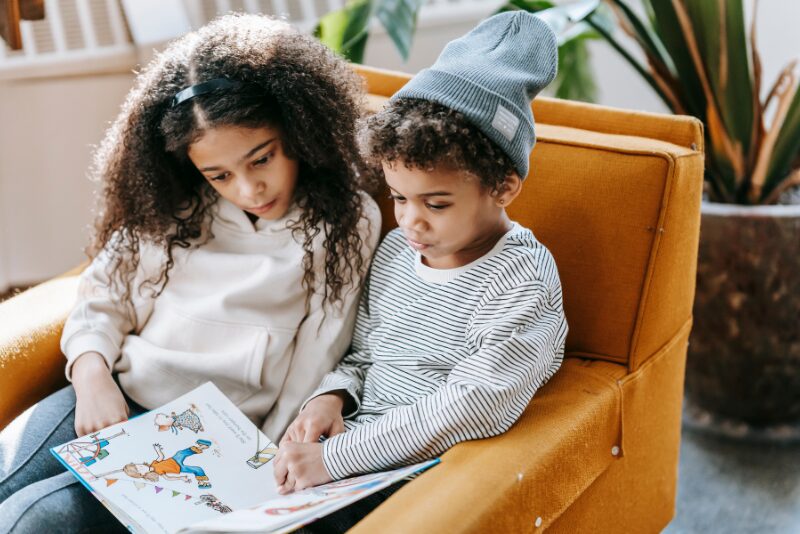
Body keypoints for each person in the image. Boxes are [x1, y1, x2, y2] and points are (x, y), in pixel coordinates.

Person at [0, 13, 380, 532]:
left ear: (296, 129)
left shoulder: (346, 219)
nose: (249, 189)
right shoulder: (178, 205)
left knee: (32, 520)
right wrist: (91, 375)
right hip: (114, 394)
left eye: (261, 159)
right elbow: (104, 295)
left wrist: (262, 460)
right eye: (219, 174)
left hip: (209, 438)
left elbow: (321, 350)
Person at [273, 10, 568, 531]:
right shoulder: (395, 252)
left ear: (503, 187)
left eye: (435, 204)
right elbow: (366, 353)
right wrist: (332, 396)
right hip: (348, 457)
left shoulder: (523, 279)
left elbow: (475, 404)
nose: (410, 221)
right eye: (398, 197)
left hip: (411, 480)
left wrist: (335, 461)